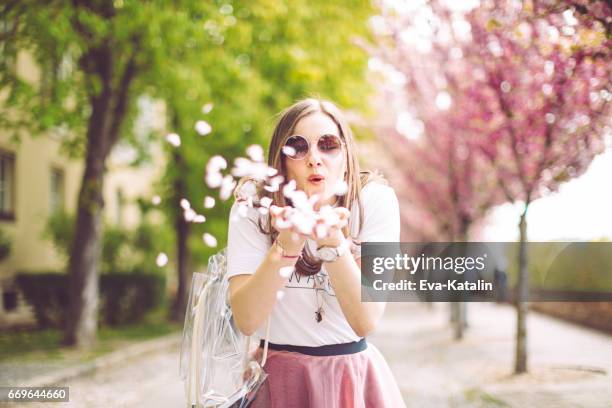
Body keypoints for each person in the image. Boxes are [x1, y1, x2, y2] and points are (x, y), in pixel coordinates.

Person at [227, 98, 405, 407]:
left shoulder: (373, 201)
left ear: (346, 154)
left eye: (328, 144)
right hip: (277, 380)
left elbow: (366, 319)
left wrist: (332, 244)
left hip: (350, 378)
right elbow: (246, 319)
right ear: (281, 161)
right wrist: (287, 245)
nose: (314, 158)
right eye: (297, 147)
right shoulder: (255, 205)